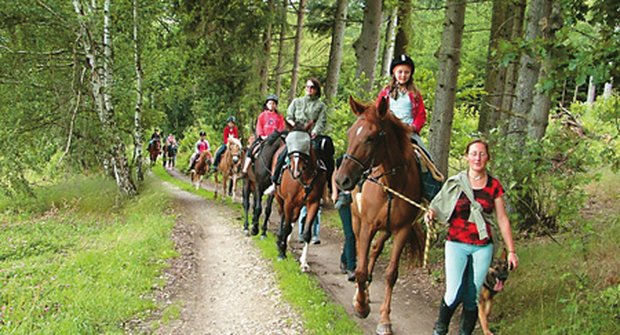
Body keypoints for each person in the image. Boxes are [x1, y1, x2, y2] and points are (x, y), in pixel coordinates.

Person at [424, 139, 519, 335]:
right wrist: (430, 213)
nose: (478, 158)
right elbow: (437, 204)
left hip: (482, 246)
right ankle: (440, 328)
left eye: (482, 154)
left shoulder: (494, 186)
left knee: (472, 295)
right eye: (474, 153)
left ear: (488, 158)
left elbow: (502, 219)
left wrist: (511, 251)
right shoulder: (456, 182)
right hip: (456, 243)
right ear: (467, 157)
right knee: (452, 292)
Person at [264, 77, 333, 196]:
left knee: (323, 152)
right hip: (295, 132)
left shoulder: (320, 106)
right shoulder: (297, 101)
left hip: (311, 134)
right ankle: (275, 182)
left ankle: (327, 185)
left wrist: (315, 131)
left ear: (317, 89)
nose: (309, 89)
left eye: (312, 87)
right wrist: (293, 125)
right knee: (283, 152)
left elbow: (321, 121)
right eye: (307, 87)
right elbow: (289, 116)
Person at [376, 54, 428, 155]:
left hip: (408, 132)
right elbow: (379, 111)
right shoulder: (386, 93)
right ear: (394, 73)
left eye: (406, 72)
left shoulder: (415, 94)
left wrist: (413, 127)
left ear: (410, 74)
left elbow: (421, 114)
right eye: (400, 72)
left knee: (424, 155)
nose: (403, 75)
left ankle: (429, 169)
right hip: (389, 130)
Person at [241, 94, 286, 175]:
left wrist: (277, 136)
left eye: (273, 103)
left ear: (276, 105)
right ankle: (245, 168)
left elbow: (281, 128)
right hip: (263, 138)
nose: (272, 105)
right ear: (267, 104)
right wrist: (261, 135)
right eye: (270, 103)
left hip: (275, 139)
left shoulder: (279, 116)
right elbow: (259, 126)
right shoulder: (262, 115)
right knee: (252, 149)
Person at [332, 155, 356, 281]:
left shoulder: (365, 162)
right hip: (344, 200)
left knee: (354, 234)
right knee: (350, 234)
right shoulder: (342, 159)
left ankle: (344, 259)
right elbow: (335, 174)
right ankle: (351, 268)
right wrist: (335, 192)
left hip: (358, 200)